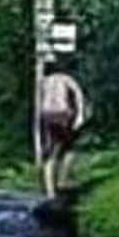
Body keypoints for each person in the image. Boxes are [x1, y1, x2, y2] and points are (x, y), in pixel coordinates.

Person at [36, 60, 90, 198]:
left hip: (47, 115)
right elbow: (79, 96)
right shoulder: (67, 79)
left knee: (51, 153)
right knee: (70, 149)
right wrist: (80, 116)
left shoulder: (44, 81)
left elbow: (39, 100)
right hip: (63, 115)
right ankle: (63, 180)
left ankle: (50, 192)